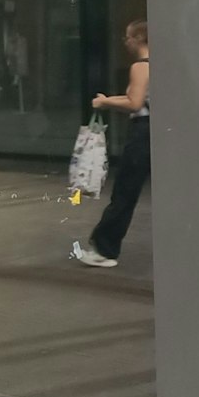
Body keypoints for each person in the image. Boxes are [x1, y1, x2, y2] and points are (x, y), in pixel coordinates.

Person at [72, 20, 152, 269]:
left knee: (124, 192)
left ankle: (105, 249)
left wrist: (105, 103)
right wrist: (108, 99)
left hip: (142, 132)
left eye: (128, 37)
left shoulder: (140, 66)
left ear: (139, 38)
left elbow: (134, 103)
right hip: (158, 130)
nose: (125, 42)